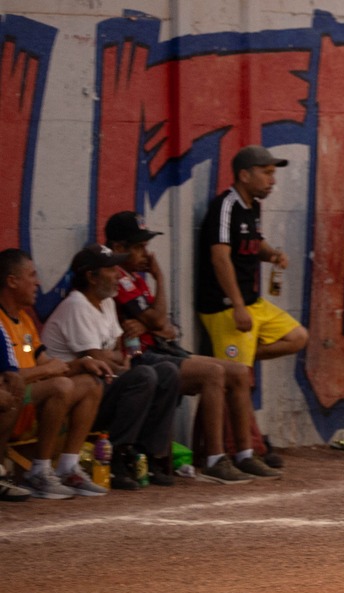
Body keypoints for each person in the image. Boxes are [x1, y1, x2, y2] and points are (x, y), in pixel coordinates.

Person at [106, 211, 269, 482]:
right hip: (140, 358)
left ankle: (245, 454)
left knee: (239, 372)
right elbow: (158, 321)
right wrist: (160, 280)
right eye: (138, 247)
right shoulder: (116, 280)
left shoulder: (135, 278)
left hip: (160, 349)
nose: (146, 254)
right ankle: (214, 458)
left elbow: (166, 327)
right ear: (118, 247)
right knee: (213, 373)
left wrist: (153, 324)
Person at [196, 145, 310, 447]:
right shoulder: (225, 206)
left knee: (298, 337)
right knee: (239, 379)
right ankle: (245, 447)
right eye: (266, 173)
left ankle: (236, 357)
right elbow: (220, 258)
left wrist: (272, 255)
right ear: (244, 175)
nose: (272, 180)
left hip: (252, 302)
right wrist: (237, 306)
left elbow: (253, 242)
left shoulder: (253, 207)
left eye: (274, 174)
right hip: (224, 306)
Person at [43, 244, 184, 489]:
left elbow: (121, 349)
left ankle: (149, 456)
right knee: (144, 375)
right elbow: (98, 359)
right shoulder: (77, 305)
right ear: (91, 276)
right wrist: (118, 359)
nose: (118, 274)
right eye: (110, 269)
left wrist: (118, 359)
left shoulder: (106, 302)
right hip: (75, 399)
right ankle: (116, 457)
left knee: (168, 372)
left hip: (103, 385)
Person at [0, 249, 109, 499]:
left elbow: (49, 364)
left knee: (90, 383)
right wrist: (47, 370)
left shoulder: (25, 320)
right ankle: (38, 472)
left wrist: (82, 363)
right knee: (60, 386)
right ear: (12, 281)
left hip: (31, 402)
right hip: (10, 405)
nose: (38, 283)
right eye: (32, 275)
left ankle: (68, 468)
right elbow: (8, 379)